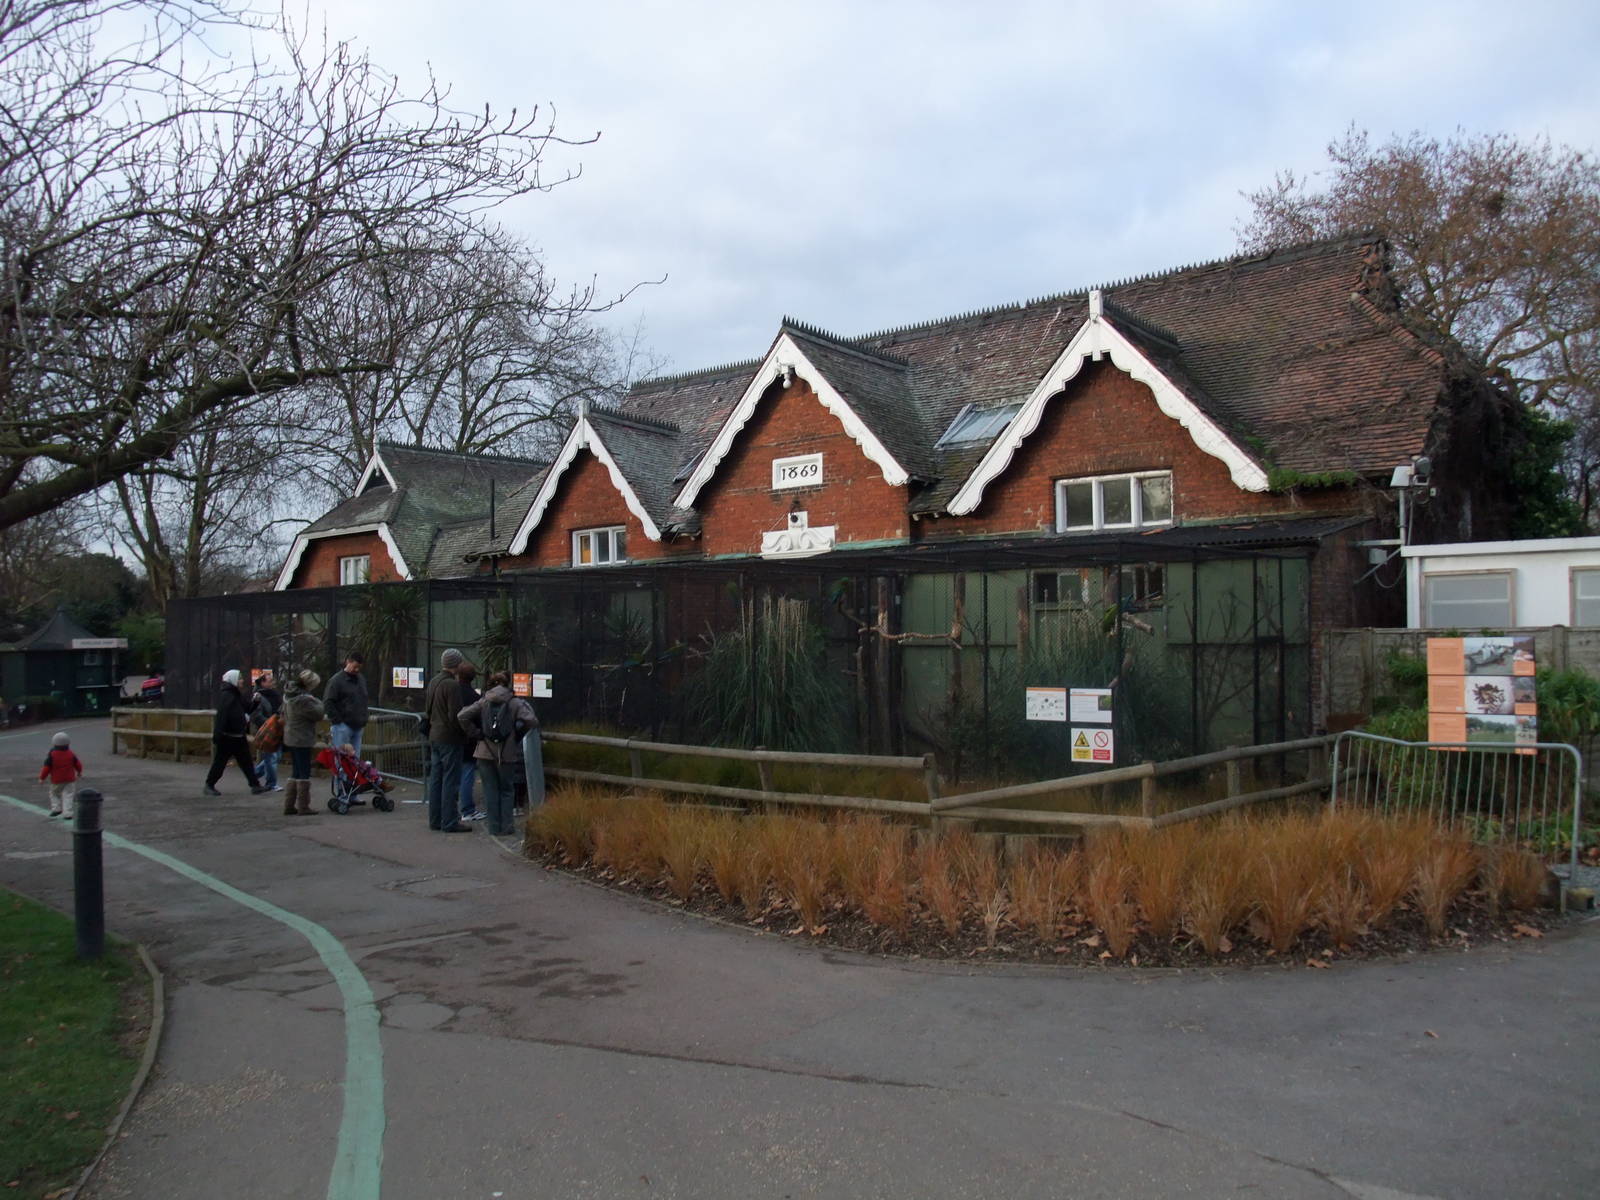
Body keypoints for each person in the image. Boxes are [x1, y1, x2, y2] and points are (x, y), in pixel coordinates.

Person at [457, 670, 535, 838]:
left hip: (485, 751)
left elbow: (462, 715)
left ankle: (493, 827)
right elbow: (531, 720)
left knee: (490, 790)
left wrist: (476, 732)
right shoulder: (515, 702)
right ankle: (507, 827)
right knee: (507, 790)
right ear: (508, 684)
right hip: (507, 752)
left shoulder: (484, 701)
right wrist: (517, 735)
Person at [422, 649, 471, 833]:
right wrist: (467, 733)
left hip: (434, 734)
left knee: (436, 779)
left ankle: (435, 819)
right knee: (451, 780)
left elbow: (427, 709)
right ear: (457, 664)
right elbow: (456, 715)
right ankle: (450, 821)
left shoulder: (434, 681)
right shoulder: (452, 685)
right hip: (450, 738)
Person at [204, 669, 268, 797]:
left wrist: (255, 702)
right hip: (228, 736)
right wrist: (218, 734)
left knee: (246, 762)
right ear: (233, 680)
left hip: (237, 735)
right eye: (239, 679)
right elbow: (222, 716)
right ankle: (209, 785)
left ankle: (255, 785)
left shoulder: (235, 695)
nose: (242, 681)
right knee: (220, 763)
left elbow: (248, 709)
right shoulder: (228, 696)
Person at [281, 669, 324, 816]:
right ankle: (303, 805)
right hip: (302, 737)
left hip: (290, 736)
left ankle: (289, 804)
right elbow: (318, 713)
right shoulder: (303, 700)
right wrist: (316, 700)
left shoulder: (288, 695)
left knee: (295, 771)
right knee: (304, 772)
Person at [323, 652, 370, 756]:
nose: (357, 670)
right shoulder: (336, 681)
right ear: (348, 662)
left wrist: (364, 716)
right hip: (343, 725)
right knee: (342, 759)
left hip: (358, 724)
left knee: (354, 760)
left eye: (359, 668)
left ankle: (351, 773)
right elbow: (328, 701)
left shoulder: (361, 679)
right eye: (355, 667)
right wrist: (338, 722)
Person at [455, 662, 483, 821]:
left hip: (452, 738)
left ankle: (452, 807)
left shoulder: (452, 691)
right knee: (467, 774)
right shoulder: (474, 697)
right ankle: (467, 810)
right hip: (468, 740)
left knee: (452, 775)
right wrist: (476, 732)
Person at [38, 730, 84, 819]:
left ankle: (56, 809)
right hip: (70, 779)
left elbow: (46, 768)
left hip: (57, 780)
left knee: (54, 793)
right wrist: (79, 772)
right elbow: (78, 764)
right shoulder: (71, 754)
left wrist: (42, 778)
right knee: (68, 795)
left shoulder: (52, 755)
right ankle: (68, 813)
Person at [251, 671, 284, 791]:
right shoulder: (258, 696)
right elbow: (255, 715)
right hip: (267, 730)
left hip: (277, 729)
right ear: (263, 682)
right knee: (271, 757)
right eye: (270, 681)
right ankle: (271, 783)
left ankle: (254, 775)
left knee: (275, 756)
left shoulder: (275, 695)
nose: (273, 683)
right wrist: (269, 724)